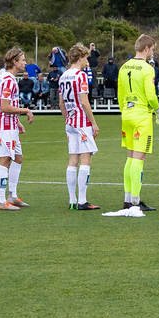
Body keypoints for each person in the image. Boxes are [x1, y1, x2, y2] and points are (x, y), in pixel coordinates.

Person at [107, 35, 159, 217]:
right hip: (141, 115)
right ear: (146, 48)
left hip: (127, 115)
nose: (153, 52)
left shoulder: (124, 67)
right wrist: (157, 109)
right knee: (139, 158)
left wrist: (124, 110)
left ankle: (127, 198)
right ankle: (135, 202)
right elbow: (151, 95)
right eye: (152, 49)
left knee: (130, 157)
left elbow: (120, 93)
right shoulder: (147, 68)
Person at [59, 43, 99, 210]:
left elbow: (61, 102)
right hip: (82, 122)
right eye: (86, 58)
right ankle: (82, 201)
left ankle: (72, 200)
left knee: (72, 159)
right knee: (85, 158)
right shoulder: (80, 76)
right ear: (80, 57)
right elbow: (84, 101)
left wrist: (67, 119)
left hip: (71, 122)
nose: (87, 61)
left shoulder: (63, 76)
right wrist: (94, 123)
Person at [0, 46, 31, 209]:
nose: (25, 63)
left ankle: (12, 195)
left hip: (11, 124)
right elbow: (5, 107)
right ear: (14, 62)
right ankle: (1, 201)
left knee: (18, 158)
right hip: (4, 125)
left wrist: (18, 121)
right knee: (5, 159)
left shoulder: (7, 78)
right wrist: (26, 110)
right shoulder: (8, 80)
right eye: (23, 60)